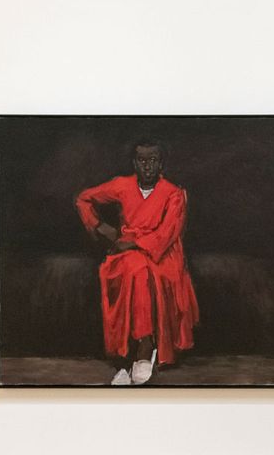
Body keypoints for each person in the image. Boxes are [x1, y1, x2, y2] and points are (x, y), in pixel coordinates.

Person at [75, 139, 199, 385]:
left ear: (161, 163)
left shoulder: (174, 194)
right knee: (131, 268)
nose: (147, 166)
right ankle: (129, 353)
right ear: (134, 163)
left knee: (139, 269)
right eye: (142, 160)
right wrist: (99, 226)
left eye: (153, 160)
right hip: (129, 253)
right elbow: (83, 199)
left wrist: (131, 242)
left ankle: (144, 348)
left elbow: (166, 235)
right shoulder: (122, 185)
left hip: (163, 257)